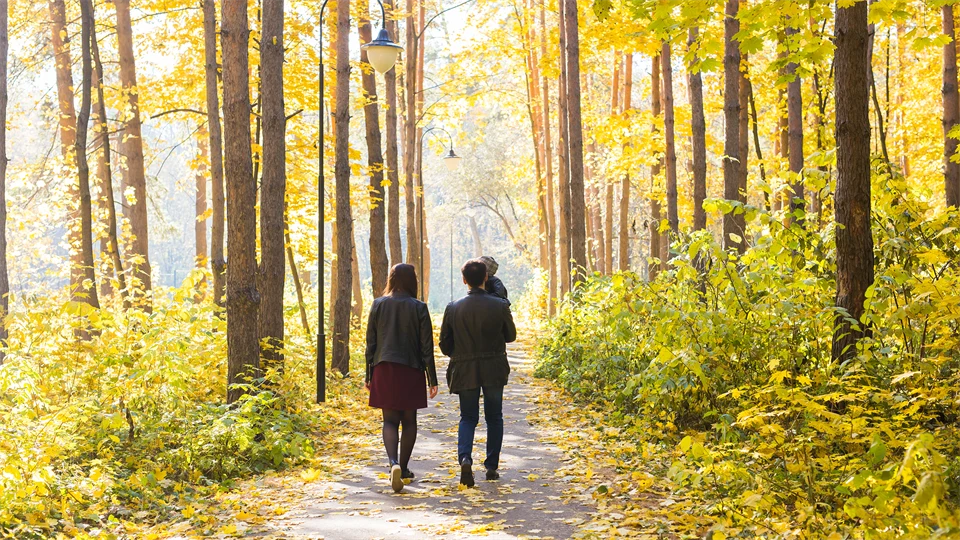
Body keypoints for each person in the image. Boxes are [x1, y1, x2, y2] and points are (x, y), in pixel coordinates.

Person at [439, 259, 517, 487]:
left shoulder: (453, 307)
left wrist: (461, 353)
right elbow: (511, 336)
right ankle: (491, 467)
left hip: (465, 370)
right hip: (493, 367)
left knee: (468, 417)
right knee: (494, 417)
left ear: (464, 280)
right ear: (486, 278)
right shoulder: (499, 305)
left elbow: (445, 345)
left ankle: (465, 458)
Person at [365, 264, 439, 493]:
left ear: (391, 279)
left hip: (384, 367)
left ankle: (393, 464)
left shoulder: (378, 304)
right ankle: (404, 468)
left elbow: (371, 342)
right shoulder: (419, 307)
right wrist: (432, 379)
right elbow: (426, 346)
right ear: (412, 281)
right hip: (411, 368)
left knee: (389, 420)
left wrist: (368, 373)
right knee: (409, 421)